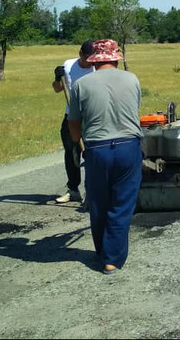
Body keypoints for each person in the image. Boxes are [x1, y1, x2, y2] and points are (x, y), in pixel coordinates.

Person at [67, 39, 142, 275]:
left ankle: (103, 252)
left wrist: (78, 140)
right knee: (122, 204)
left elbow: (74, 124)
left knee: (99, 203)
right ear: (114, 57)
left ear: (94, 60)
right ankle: (112, 258)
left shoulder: (82, 84)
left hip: (97, 149)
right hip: (128, 146)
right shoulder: (131, 79)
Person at [52, 40, 95, 203]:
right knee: (72, 153)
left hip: (92, 116)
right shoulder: (69, 65)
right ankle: (73, 190)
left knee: (92, 153)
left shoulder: (97, 67)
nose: (89, 62)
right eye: (87, 58)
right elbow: (57, 89)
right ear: (80, 54)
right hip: (72, 116)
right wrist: (57, 78)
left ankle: (92, 191)